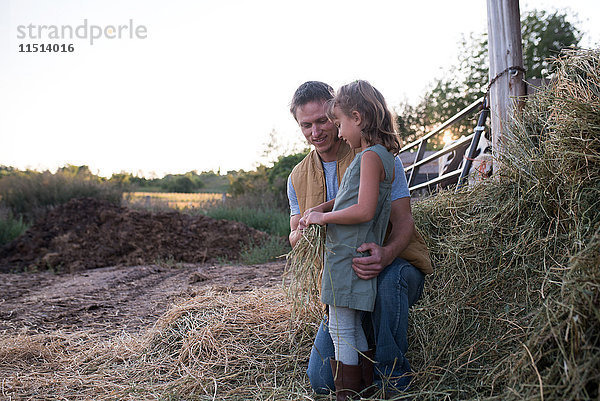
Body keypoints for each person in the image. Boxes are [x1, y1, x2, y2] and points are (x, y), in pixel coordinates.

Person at [287, 81, 433, 397]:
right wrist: (304, 231)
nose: (317, 131)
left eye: (324, 121)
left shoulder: (375, 158)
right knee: (321, 380)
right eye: (306, 125)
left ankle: (392, 379)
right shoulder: (296, 177)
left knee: (385, 281)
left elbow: (403, 221)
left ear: (340, 114)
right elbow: (295, 234)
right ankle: (360, 386)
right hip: (343, 273)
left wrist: (388, 252)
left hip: (388, 265)